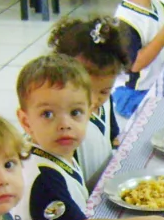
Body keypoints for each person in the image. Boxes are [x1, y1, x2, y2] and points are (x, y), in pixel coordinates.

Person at [12, 54, 164, 220]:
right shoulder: (44, 177)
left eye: (75, 113)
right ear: (25, 121)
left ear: (90, 111)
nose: (65, 124)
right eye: (47, 114)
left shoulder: (57, 152)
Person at [49, 16, 130, 188]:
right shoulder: (64, 125)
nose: (93, 100)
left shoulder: (105, 103)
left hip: (104, 184)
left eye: (103, 91)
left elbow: (112, 137)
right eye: (85, 90)